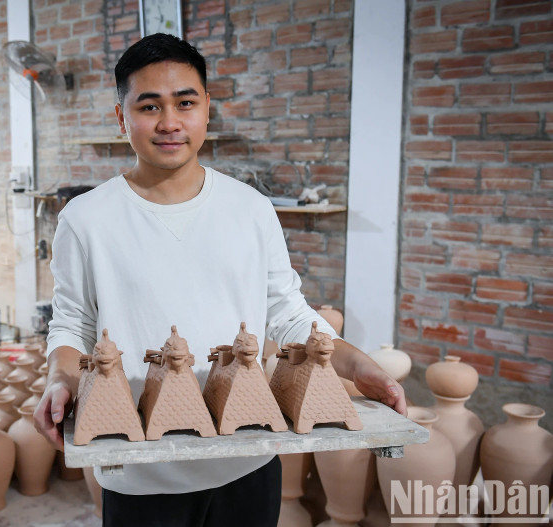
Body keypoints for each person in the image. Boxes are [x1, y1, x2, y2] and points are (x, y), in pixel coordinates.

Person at [34, 33, 407, 526]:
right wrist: (59, 378)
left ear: (207, 108)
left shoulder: (250, 209)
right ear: (121, 117)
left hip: (247, 459)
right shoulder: (86, 219)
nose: (169, 123)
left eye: (185, 103)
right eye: (149, 107)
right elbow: (73, 323)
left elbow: (287, 312)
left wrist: (358, 366)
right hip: (142, 471)